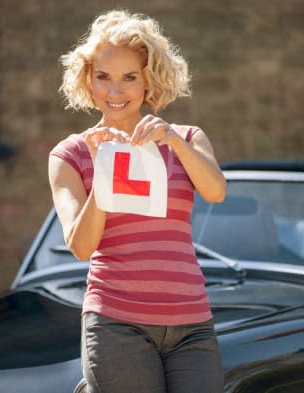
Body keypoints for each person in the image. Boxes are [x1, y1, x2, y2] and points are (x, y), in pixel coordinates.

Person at [48, 9, 226, 393]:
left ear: (149, 80)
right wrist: (105, 172)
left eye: (129, 78)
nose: (115, 92)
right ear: (87, 80)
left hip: (192, 323)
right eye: (103, 78)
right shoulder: (70, 155)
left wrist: (173, 141)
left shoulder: (187, 138)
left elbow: (216, 190)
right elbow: (81, 246)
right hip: (117, 324)